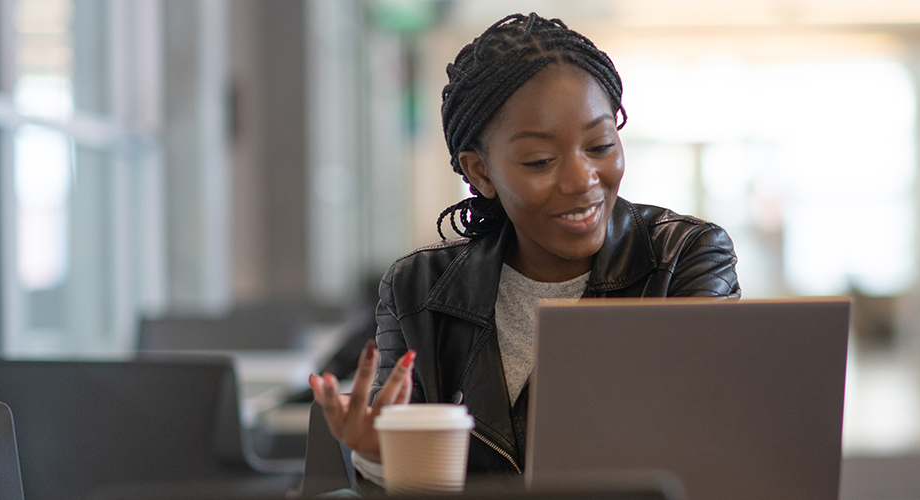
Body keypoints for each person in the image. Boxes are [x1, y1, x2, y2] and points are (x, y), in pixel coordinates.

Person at [308, 12, 741, 486]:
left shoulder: (683, 257)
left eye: (599, 145)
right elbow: (411, 481)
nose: (582, 181)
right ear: (481, 173)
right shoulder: (418, 291)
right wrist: (378, 461)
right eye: (541, 160)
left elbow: (707, 450)